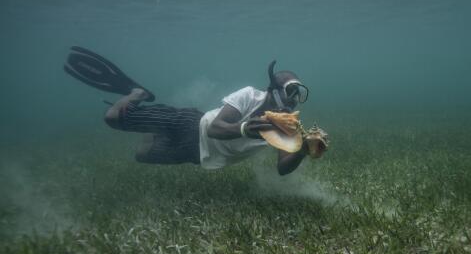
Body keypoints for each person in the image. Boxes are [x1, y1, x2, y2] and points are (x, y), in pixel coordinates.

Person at [64, 46, 310, 175]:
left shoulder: (287, 127)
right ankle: (137, 94)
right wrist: (246, 129)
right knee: (111, 119)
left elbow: (282, 169)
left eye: (299, 95)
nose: (294, 102)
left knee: (142, 155)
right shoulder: (249, 95)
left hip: (196, 154)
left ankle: (154, 127)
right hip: (189, 124)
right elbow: (215, 129)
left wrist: (302, 151)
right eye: (290, 92)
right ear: (274, 90)